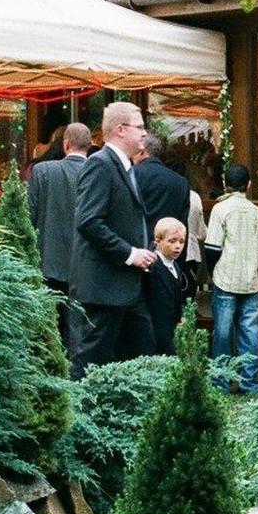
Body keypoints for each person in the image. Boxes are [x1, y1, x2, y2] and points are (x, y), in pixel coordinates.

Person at [71, 102, 157, 374]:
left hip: (125, 285)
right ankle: (76, 413)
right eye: (140, 127)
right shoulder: (100, 164)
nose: (145, 133)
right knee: (91, 362)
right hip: (105, 286)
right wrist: (130, 253)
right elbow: (88, 221)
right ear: (120, 130)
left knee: (141, 356)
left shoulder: (124, 166)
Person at [30, 122, 93, 368]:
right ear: (90, 145)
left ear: (66, 144)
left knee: (49, 326)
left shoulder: (43, 171)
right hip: (87, 263)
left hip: (49, 259)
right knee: (79, 328)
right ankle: (77, 376)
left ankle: (51, 371)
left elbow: (30, 215)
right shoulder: (98, 171)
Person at [205, 163, 258, 393]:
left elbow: (212, 248)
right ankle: (249, 383)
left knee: (222, 333)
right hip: (251, 281)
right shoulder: (257, 212)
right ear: (249, 185)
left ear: (224, 184)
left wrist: (213, 273)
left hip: (225, 279)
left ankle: (220, 382)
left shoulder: (221, 210)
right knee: (250, 333)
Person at [144, 216, 198, 355]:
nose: (178, 246)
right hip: (156, 328)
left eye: (181, 241)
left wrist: (181, 315)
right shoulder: (152, 267)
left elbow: (177, 296)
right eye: (172, 241)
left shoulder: (175, 266)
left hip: (172, 328)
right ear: (158, 241)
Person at [133, 132, 192, 245]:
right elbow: (182, 226)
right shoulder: (181, 183)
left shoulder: (132, 176)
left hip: (137, 251)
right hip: (168, 252)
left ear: (141, 151)